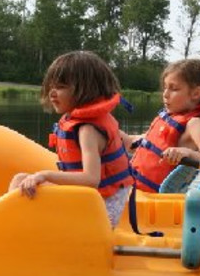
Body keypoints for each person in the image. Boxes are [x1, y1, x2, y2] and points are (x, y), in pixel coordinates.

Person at [9, 51, 133, 228]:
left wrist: (45, 175)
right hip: (88, 201)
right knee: (20, 179)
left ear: (86, 90)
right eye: (51, 86)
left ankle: (16, 231)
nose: (52, 93)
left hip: (99, 215)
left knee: (30, 183)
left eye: (60, 87)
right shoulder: (80, 122)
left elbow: (91, 180)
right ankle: (13, 226)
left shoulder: (88, 130)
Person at [121, 58, 200, 193]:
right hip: (132, 189)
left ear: (196, 93)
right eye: (165, 88)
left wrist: (188, 153)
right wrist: (111, 133)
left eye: (173, 89)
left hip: (155, 199)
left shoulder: (195, 124)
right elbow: (134, 143)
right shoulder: (168, 118)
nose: (165, 94)